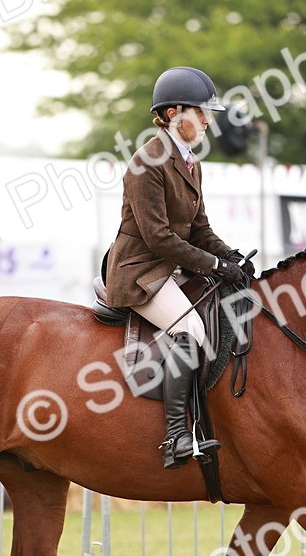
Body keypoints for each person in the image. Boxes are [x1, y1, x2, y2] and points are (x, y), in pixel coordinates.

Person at [104, 66, 251, 469]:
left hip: (172, 268)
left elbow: (199, 229)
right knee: (190, 327)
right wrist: (215, 264)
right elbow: (159, 237)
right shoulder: (145, 163)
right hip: (139, 271)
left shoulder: (191, 163)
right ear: (172, 114)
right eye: (200, 112)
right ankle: (176, 437)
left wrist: (231, 257)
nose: (207, 121)